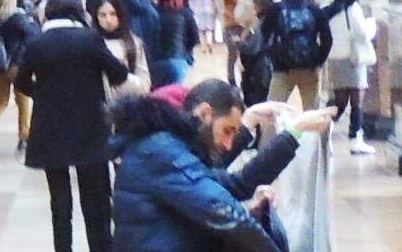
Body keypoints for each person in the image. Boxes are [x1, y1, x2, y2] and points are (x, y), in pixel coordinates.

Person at [106, 80, 288, 252]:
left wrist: (252, 213)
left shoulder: (171, 147)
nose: (228, 145)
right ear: (204, 113)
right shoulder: (162, 151)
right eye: (227, 131)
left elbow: (235, 186)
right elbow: (221, 209)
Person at [21, 0, 135, 252]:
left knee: (59, 201)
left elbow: (21, 80)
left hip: (51, 127)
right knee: (94, 199)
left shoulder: (38, 42)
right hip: (90, 127)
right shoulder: (89, 39)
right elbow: (118, 74)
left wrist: (44, 95)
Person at [320, 0, 376, 153]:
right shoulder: (353, 7)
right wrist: (372, 26)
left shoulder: (327, 9)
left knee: (340, 100)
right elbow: (362, 32)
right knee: (357, 100)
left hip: (335, 56)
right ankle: (355, 138)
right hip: (353, 57)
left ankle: (323, 129)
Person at [0, 0, 39, 151]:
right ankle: (24, 137)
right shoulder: (17, 18)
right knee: (23, 102)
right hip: (16, 65)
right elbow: (33, 34)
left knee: (1, 101)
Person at [153, 0, 199, 87]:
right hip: (179, 57)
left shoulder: (154, 13)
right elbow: (194, 38)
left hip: (157, 60)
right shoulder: (185, 13)